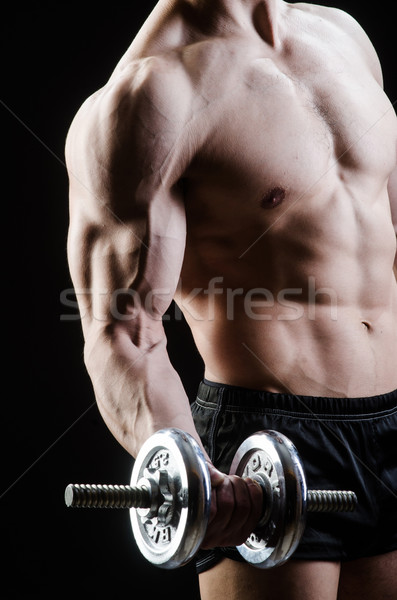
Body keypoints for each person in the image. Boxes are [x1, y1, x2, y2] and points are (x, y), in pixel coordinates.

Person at [65, 0, 397, 598]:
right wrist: (192, 471)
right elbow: (123, 332)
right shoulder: (153, 92)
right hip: (266, 445)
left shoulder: (344, 36)